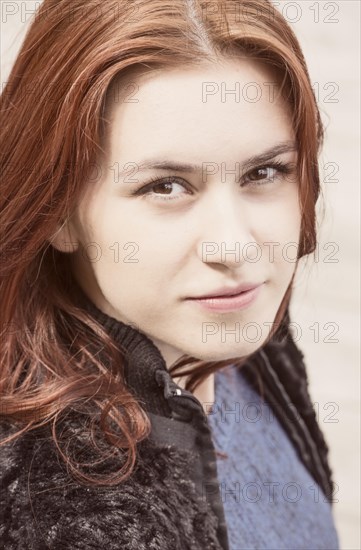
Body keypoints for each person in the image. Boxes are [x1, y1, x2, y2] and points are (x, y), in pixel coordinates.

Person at [0, 0, 340, 548]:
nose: (234, 246)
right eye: (166, 186)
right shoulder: (50, 517)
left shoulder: (237, 330)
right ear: (57, 214)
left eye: (264, 171)